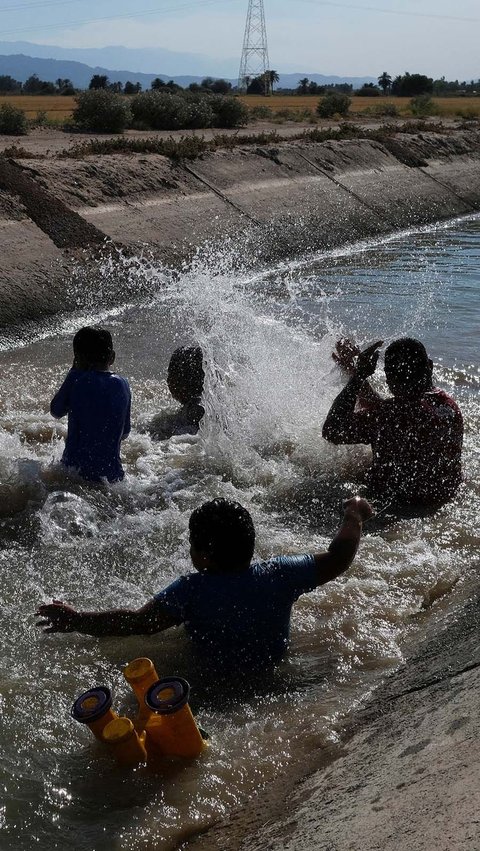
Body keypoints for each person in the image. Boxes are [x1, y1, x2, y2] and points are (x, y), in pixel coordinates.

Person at [36, 495, 372, 669]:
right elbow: (340, 557)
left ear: (205, 554)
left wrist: (78, 620)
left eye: (192, 543)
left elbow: (138, 623)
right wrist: (353, 513)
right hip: (269, 670)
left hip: (210, 678)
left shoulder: (191, 591)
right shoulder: (280, 574)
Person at [323, 337, 463, 505]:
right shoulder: (448, 405)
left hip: (396, 505)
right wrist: (352, 371)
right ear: (430, 366)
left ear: (389, 379)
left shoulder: (392, 414)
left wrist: (359, 376)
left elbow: (332, 429)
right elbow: (385, 411)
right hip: (442, 497)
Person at [50, 327, 131, 483]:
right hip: (113, 478)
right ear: (112, 357)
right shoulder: (124, 385)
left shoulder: (76, 380)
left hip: (75, 473)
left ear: (78, 358)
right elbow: (125, 433)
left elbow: (55, 411)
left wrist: (72, 372)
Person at [150, 346, 205, 440]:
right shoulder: (205, 404)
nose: (168, 380)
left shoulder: (194, 411)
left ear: (182, 381)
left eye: (171, 374)